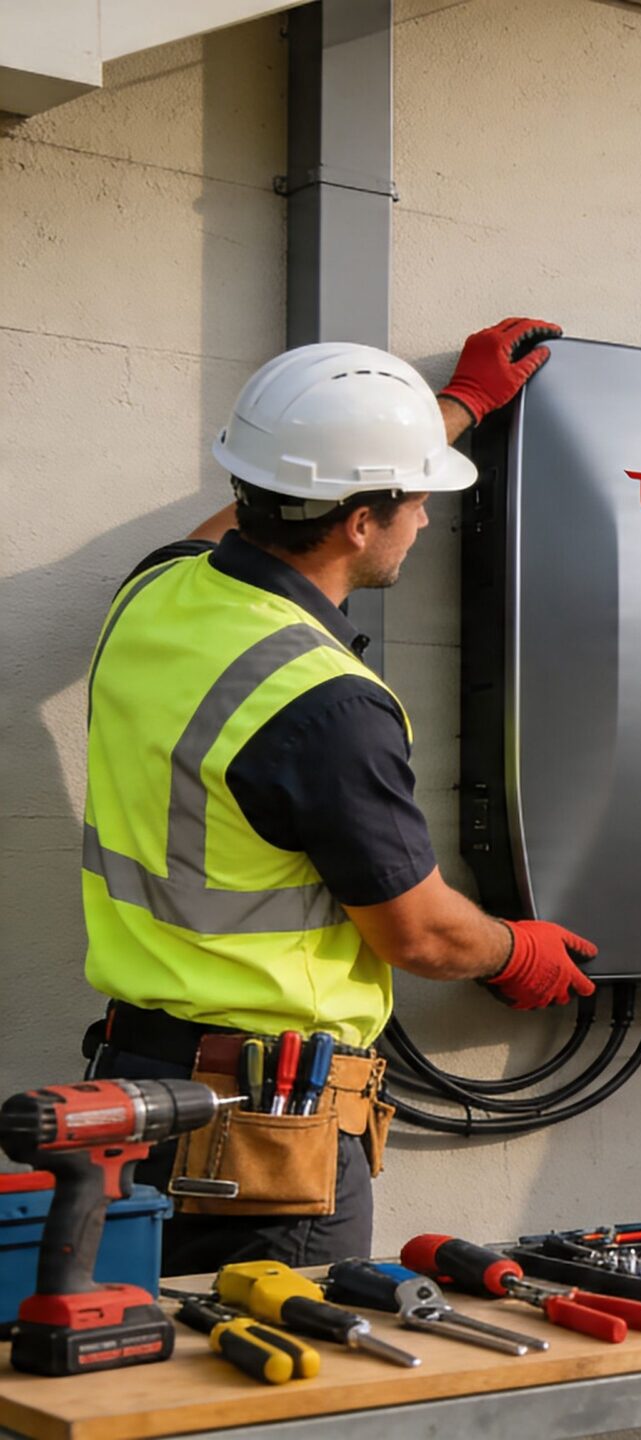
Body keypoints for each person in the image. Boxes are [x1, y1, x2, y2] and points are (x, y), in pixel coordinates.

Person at [80, 318, 600, 1271]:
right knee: (271, 1402)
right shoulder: (325, 705)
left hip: (134, 1093)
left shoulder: (155, 595)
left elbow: (256, 514)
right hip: (266, 1127)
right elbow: (422, 934)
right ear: (361, 521)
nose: (429, 519)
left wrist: (454, 411)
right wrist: (512, 948)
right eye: (413, 500)